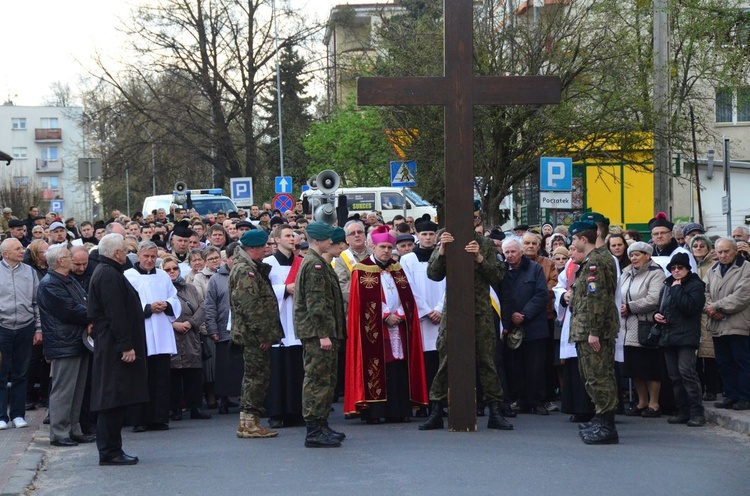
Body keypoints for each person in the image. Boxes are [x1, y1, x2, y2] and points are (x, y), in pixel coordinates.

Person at [419, 227, 513, 432]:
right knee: (445, 358)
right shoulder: (445, 238)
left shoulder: (485, 244)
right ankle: (436, 410)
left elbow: (498, 275)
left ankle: (495, 411)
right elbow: (433, 274)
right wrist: (443, 250)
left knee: (487, 360)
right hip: (453, 311)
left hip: (480, 310)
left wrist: (479, 257)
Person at [344, 225, 427, 423]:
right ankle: (374, 411)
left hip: (398, 325)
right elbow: (362, 303)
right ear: (373, 247)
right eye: (382, 247)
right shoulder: (361, 269)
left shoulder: (397, 269)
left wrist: (398, 313)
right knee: (377, 365)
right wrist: (384, 316)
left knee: (398, 365)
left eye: (389, 248)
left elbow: (406, 297)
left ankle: (397, 410)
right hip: (375, 328)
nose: (386, 251)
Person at [88, 233, 148, 465]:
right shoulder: (108, 275)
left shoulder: (110, 272)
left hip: (112, 344)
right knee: (112, 398)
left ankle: (113, 448)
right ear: (116, 253)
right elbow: (116, 314)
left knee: (116, 398)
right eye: (124, 249)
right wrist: (126, 346)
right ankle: (110, 451)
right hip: (114, 347)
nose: (127, 253)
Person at [565, 220, 619, 444]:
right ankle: (600, 418)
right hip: (587, 328)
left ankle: (607, 426)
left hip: (593, 329)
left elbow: (598, 299)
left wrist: (594, 331)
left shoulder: (597, 260)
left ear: (582, 239)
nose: (572, 243)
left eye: (574, 239)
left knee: (599, 377)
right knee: (592, 377)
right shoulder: (594, 259)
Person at [294, 222, 347, 447]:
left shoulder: (318, 263)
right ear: (318, 241)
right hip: (318, 334)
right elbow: (316, 305)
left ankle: (321, 424)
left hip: (324, 332)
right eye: (328, 240)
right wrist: (323, 334)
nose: (331, 243)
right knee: (317, 379)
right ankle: (314, 430)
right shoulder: (314, 265)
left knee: (326, 379)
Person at [37, 245, 96, 447]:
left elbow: (85, 300)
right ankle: (60, 433)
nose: (72, 259)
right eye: (68, 256)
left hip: (76, 340)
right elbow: (70, 309)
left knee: (77, 390)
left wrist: (90, 314)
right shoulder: (50, 284)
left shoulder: (68, 279)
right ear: (60, 261)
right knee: (63, 390)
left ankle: (74, 429)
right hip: (64, 343)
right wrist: (92, 316)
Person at [230, 230, 283, 438]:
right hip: (253, 335)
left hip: (251, 333)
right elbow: (251, 306)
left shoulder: (247, 267)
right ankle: (250, 423)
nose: (266, 250)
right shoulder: (246, 270)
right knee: (256, 377)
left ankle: (247, 422)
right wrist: (263, 334)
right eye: (262, 247)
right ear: (252, 248)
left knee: (253, 376)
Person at [124, 241, 181, 432]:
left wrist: (167, 304)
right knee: (141, 377)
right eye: (146, 256)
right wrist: (147, 308)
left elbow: (174, 297)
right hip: (142, 331)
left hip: (162, 329)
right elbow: (125, 304)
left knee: (161, 377)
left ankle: (159, 417)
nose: (149, 260)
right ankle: (139, 419)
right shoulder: (128, 276)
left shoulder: (164, 275)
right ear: (138, 255)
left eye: (153, 256)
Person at [654, 252, 707, 426]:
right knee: (675, 376)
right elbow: (660, 306)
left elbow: (691, 307)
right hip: (669, 336)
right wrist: (657, 315)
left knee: (687, 373)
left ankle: (697, 412)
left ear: (687, 269)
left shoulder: (695, 285)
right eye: (673, 268)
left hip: (687, 337)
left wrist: (677, 289)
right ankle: (682, 410)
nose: (676, 271)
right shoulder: (667, 285)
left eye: (680, 268)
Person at [500, 237, 550, 415]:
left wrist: (524, 314)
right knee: (516, 367)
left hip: (534, 325)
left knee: (536, 366)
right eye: (507, 252)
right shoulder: (502, 270)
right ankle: (521, 400)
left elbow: (541, 294)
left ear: (521, 252)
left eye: (513, 251)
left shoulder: (535, 269)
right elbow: (501, 296)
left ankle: (537, 402)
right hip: (512, 327)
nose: (510, 255)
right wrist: (511, 315)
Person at [399, 218, 444, 415]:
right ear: (417, 235)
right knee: (423, 361)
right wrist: (426, 310)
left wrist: (441, 308)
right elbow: (408, 287)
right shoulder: (407, 259)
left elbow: (450, 284)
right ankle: (422, 403)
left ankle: (440, 403)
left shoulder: (443, 256)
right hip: (421, 317)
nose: (427, 238)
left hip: (442, 315)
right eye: (424, 234)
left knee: (441, 360)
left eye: (431, 234)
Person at [263, 224, 305, 428]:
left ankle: (296, 411)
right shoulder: (267, 263)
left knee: (297, 367)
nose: (292, 239)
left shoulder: (302, 263)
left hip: (297, 320)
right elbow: (262, 292)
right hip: (278, 319)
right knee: (278, 369)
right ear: (277, 240)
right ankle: (276, 413)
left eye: (294, 236)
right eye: (287, 236)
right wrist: (284, 289)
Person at [618, 241, 666, 418]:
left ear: (647, 255)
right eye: (631, 255)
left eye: (637, 254)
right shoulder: (626, 273)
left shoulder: (656, 273)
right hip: (627, 328)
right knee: (635, 368)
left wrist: (629, 307)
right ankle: (642, 402)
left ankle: (654, 404)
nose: (634, 258)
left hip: (645, 325)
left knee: (650, 367)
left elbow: (654, 298)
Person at [161, 256, 211, 422]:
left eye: (174, 268)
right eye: (167, 269)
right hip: (171, 336)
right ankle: (174, 408)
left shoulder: (189, 288)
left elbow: (203, 306)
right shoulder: (160, 289)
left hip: (191, 336)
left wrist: (191, 323)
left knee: (194, 373)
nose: (172, 272)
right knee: (173, 374)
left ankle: (195, 407)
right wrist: (173, 324)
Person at [704, 238, 750, 411]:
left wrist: (715, 306)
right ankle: (730, 396)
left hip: (738, 324)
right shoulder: (713, 270)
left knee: (741, 362)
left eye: (726, 251)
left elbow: (741, 296)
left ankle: (745, 396)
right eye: (720, 252)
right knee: (724, 363)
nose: (723, 255)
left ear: (735, 251)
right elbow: (705, 292)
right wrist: (709, 309)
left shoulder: (746, 269)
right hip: (718, 324)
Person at [0, 238, 41, 430]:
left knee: (21, 373)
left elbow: (37, 303)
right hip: (3, 328)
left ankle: (18, 414)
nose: (22, 251)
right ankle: (1, 416)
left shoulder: (30, 272)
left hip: (26, 327)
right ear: (5, 254)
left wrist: (39, 328)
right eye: (17, 248)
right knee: (1, 373)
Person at [204, 242, 240, 414]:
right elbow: (210, 305)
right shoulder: (216, 279)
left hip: (244, 330)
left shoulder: (246, 275)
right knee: (225, 368)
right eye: (234, 258)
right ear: (228, 259)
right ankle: (224, 399)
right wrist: (212, 329)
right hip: (224, 328)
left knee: (243, 366)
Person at [690, 234, 720, 402]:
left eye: (702, 246)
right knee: (695, 357)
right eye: (696, 246)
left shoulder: (714, 266)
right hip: (693, 317)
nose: (699, 249)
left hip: (708, 314)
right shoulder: (689, 265)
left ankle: (711, 389)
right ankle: (699, 388)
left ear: (709, 248)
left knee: (710, 355)